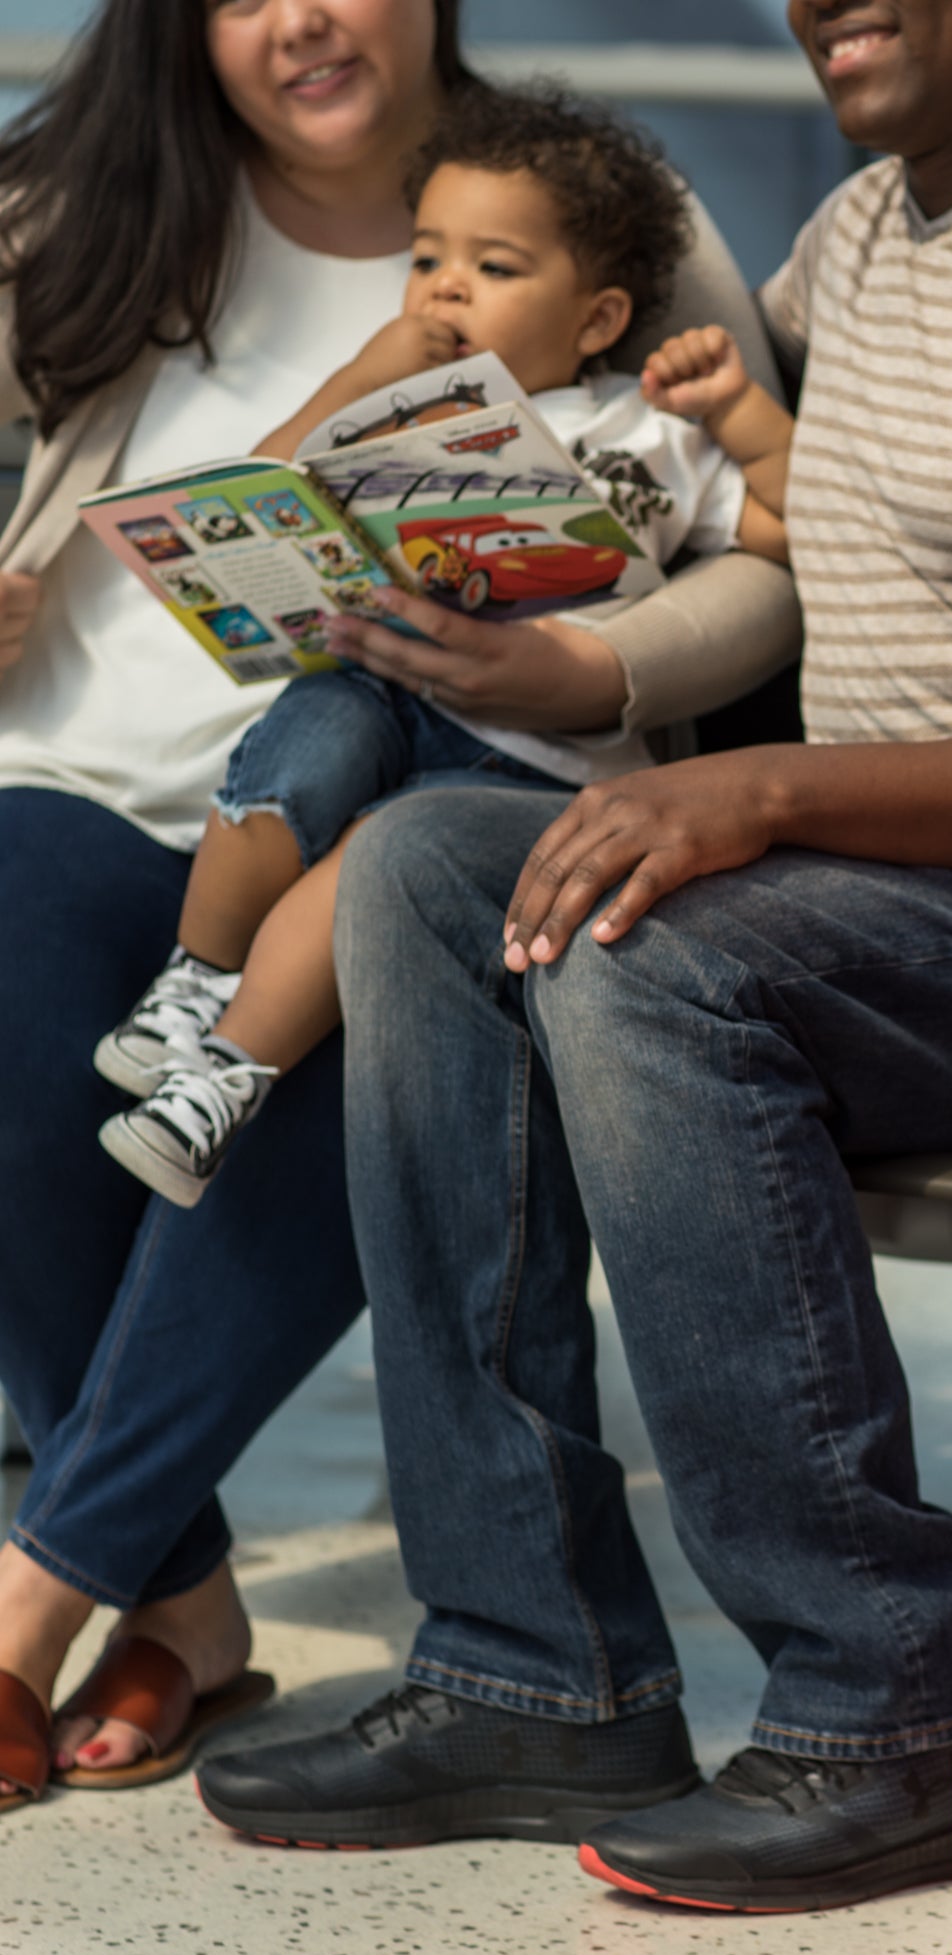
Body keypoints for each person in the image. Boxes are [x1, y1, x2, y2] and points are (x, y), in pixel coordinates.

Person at [198, 0, 952, 1908]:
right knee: (426, 868)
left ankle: (882, 1702)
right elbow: (683, 430)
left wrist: (768, 790)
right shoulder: (862, 232)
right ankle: (535, 1666)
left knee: (648, 953)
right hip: (864, 884)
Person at [0, 0, 797, 1814]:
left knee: (366, 993)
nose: (299, 19)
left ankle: (33, 1604)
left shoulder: (606, 206)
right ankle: (181, 1599)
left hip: (442, 788)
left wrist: (587, 668)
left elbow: (763, 563)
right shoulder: (92, 191)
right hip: (74, 769)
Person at [95, 84, 797, 1211]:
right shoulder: (389, 414)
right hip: (385, 690)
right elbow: (254, 496)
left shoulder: (648, 433)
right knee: (301, 744)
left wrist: (740, 412)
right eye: (426, 259)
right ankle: (193, 981)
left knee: (367, 860)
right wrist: (361, 382)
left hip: (534, 761)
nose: (446, 287)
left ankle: (223, 1079)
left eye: (495, 266)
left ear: (598, 320)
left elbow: (791, 526)